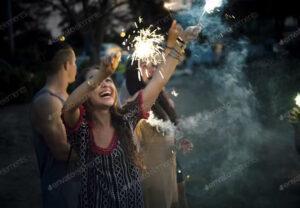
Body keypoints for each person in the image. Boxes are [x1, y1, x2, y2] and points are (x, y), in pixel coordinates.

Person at [61, 21, 189, 208]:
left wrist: (179, 43)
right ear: (85, 97)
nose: (104, 84)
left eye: (109, 80)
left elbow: (159, 80)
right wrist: (101, 74)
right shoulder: (81, 130)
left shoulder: (127, 118)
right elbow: (68, 107)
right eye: (96, 82)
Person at [119, 24, 200, 208]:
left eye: (154, 65)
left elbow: (169, 117)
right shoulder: (132, 97)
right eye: (144, 64)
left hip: (169, 160)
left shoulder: (157, 91)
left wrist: (180, 137)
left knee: (180, 199)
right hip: (149, 170)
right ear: (136, 67)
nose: (151, 69)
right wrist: (177, 43)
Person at [30, 41, 79, 208]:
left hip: (78, 183)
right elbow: (62, 151)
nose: (76, 67)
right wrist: (101, 149)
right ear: (66, 65)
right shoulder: (47, 101)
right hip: (62, 188)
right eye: (75, 62)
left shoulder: (66, 96)